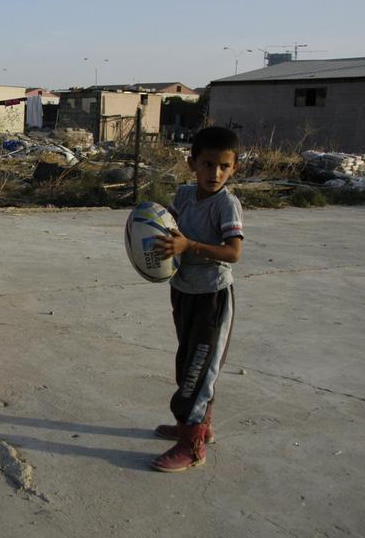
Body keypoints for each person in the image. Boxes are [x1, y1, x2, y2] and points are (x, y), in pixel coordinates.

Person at [150, 126, 244, 473]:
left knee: (199, 372)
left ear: (233, 168)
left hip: (212, 298)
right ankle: (198, 424)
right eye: (207, 164)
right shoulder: (186, 195)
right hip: (184, 291)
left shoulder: (226, 204)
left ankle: (192, 446)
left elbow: (234, 252)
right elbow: (168, 225)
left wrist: (191, 246)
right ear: (192, 164)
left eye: (223, 166)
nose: (215, 173)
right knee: (188, 363)